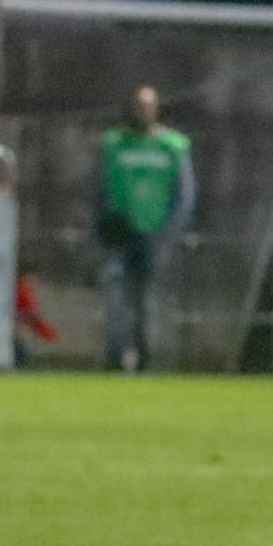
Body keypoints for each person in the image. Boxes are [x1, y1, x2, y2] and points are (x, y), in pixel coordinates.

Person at [96, 85, 195, 372]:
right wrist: (103, 224)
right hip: (120, 234)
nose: (143, 112)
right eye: (138, 106)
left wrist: (166, 233)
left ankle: (146, 357)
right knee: (116, 297)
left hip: (154, 235)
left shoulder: (173, 146)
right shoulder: (113, 144)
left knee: (148, 301)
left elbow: (184, 196)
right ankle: (114, 358)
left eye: (148, 106)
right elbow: (98, 190)